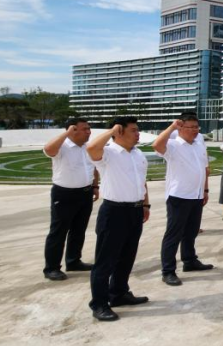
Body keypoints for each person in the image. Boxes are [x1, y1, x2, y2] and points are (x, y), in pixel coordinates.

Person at [86, 117, 150, 322]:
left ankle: (119, 293)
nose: (138, 134)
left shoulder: (138, 154)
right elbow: (91, 148)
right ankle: (99, 304)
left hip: (135, 210)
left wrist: (145, 204)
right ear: (119, 132)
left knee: (127, 256)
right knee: (105, 261)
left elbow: (142, 181)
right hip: (114, 211)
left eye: (138, 130)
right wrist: (111, 130)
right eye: (133, 130)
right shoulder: (108, 153)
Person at [153, 115, 214, 286]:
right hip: (179, 196)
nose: (195, 130)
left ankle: (189, 260)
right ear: (180, 128)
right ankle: (168, 270)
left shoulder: (199, 145)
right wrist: (171, 127)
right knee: (173, 235)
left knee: (191, 232)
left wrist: (205, 190)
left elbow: (204, 169)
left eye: (197, 127)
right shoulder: (173, 145)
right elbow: (156, 145)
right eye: (190, 127)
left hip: (196, 195)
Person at [42, 118, 99, 281]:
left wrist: (95, 186)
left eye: (89, 128)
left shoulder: (88, 147)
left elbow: (93, 167)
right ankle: (52, 267)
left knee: (78, 230)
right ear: (72, 130)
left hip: (85, 193)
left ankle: (73, 261)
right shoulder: (62, 147)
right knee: (58, 231)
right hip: (64, 194)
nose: (89, 132)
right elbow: (48, 149)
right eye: (85, 129)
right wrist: (66, 134)